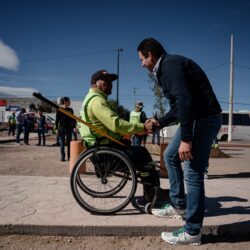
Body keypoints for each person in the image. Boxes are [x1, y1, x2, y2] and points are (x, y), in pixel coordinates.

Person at [137, 38, 222, 245]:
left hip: (203, 120)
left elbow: (185, 101)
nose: (141, 64)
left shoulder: (170, 65)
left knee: (192, 172)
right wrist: (158, 122)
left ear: (150, 55)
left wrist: (186, 139)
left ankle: (192, 231)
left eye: (142, 59)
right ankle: (178, 204)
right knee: (170, 156)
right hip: (197, 119)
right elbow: (177, 108)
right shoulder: (166, 69)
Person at [78, 69, 159, 203]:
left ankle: (152, 190)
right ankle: (152, 194)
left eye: (111, 81)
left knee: (134, 149)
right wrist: (143, 127)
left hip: (98, 148)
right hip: (105, 153)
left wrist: (125, 133)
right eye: (106, 81)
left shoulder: (90, 99)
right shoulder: (97, 101)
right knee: (143, 154)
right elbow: (115, 124)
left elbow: (109, 127)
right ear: (94, 83)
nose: (110, 84)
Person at [55, 97, 76, 161]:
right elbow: (57, 120)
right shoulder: (59, 109)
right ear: (65, 102)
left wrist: (74, 127)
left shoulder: (71, 110)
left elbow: (73, 119)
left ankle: (69, 157)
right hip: (62, 128)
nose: (70, 102)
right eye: (69, 101)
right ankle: (63, 157)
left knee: (69, 143)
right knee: (62, 143)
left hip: (69, 129)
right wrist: (56, 128)